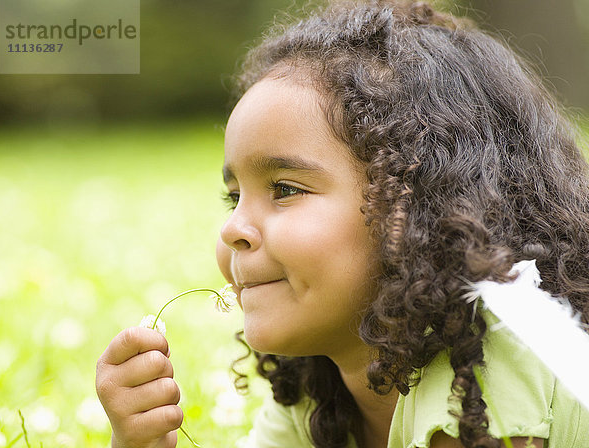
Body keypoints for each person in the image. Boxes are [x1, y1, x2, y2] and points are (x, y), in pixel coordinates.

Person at [95, 1, 589, 447]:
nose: (233, 230)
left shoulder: (493, 355)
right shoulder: (319, 390)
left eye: (285, 190)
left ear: (417, 210)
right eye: (233, 199)